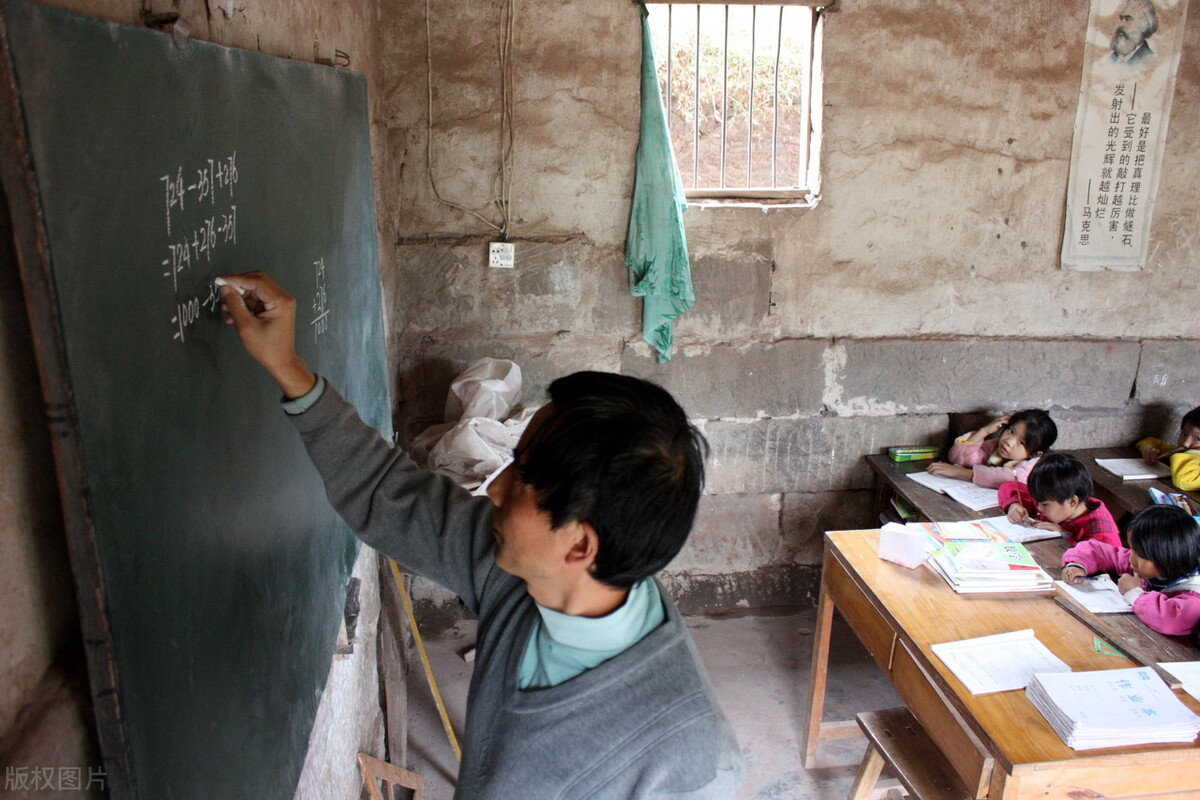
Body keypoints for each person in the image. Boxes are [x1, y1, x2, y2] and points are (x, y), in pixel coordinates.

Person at [217, 271, 744, 799]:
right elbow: (388, 493)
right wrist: (288, 368)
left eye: (522, 480)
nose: (495, 490)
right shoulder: (520, 573)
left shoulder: (688, 768)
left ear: (580, 545)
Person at [1061, 505, 1200, 636]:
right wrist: (1077, 565)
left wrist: (1133, 593)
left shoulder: (1194, 593)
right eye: (1132, 548)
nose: (1131, 558)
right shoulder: (1145, 566)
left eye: (1139, 553)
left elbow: (1171, 620)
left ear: (1167, 558)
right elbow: (1095, 549)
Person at [999, 453, 1121, 547]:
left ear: (1072, 501)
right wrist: (1014, 505)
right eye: (1039, 502)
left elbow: (1099, 565)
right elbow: (1009, 486)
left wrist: (1065, 534)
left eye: (1045, 504)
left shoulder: (1103, 536)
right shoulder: (1056, 496)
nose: (1039, 508)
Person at [926, 410, 1057, 489]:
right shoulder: (994, 448)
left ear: (1036, 453)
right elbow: (959, 458)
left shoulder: (1035, 467)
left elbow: (1008, 478)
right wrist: (984, 431)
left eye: (1021, 442)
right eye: (1011, 431)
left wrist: (962, 472)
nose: (1009, 441)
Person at [1137, 405, 1200, 491]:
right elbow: (1149, 441)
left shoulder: (1189, 454)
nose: (1185, 443)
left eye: (1198, 439)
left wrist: (1194, 454)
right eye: (1184, 434)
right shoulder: (1182, 450)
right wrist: (1149, 451)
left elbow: (1183, 481)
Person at [1109, 0, 1159, 65]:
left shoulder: (1150, 60)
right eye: (1121, 19)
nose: (1121, 24)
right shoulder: (1110, 58)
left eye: (1128, 19)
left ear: (1144, 25)